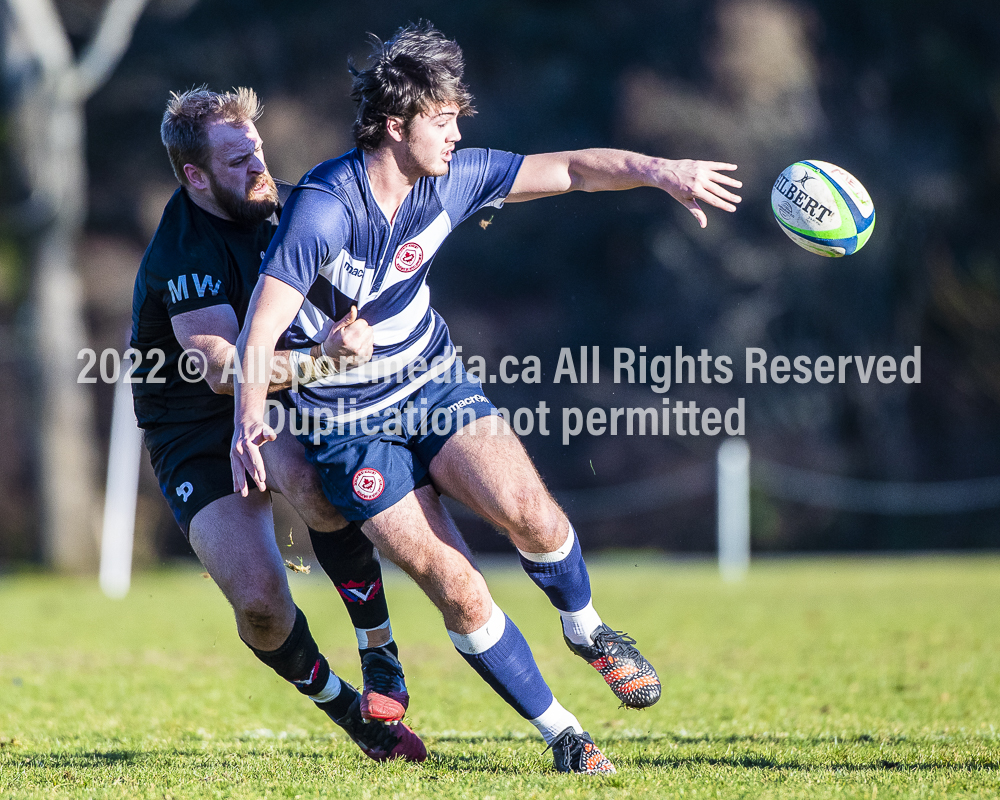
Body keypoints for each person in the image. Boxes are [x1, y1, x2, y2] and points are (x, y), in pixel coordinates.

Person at [232, 21, 741, 774]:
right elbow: (259, 331)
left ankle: (587, 628)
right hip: (345, 426)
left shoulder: (456, 176)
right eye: (444, 119)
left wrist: (661, 169)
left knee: (531, 513)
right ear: (396, 126)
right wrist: (250, 424)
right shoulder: (324, 207)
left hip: (431, 385)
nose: (458, 133)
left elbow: (569, 170)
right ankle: (563, 733)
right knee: (459, 590)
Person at [131, 86, 424, 761]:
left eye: (256, 149)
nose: (257, 166)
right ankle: (349, 710)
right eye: (237, 161)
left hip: (279, 402)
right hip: (196, 431)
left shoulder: (290, 209)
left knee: (314, 488)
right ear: (194, 176)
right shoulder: (183, 252)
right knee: (262, 608)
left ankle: (379, 651)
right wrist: (324, 358)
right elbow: (227, 372)